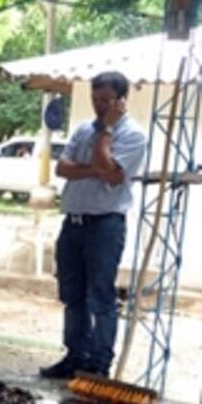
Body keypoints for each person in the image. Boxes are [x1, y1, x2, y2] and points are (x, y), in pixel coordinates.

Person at [39, 71, 147, 380]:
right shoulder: (83, 129)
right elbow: (63, 168)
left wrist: (108, 131)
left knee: (100, 296)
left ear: (121, 101)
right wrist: (97, 169)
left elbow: (108, 168)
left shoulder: (132, 136)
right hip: (73, 222)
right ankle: (76, 355)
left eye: (106, 101)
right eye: (95, 99)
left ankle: (99, 365)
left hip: (104, 225)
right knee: (72, 294)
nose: (99, 106)